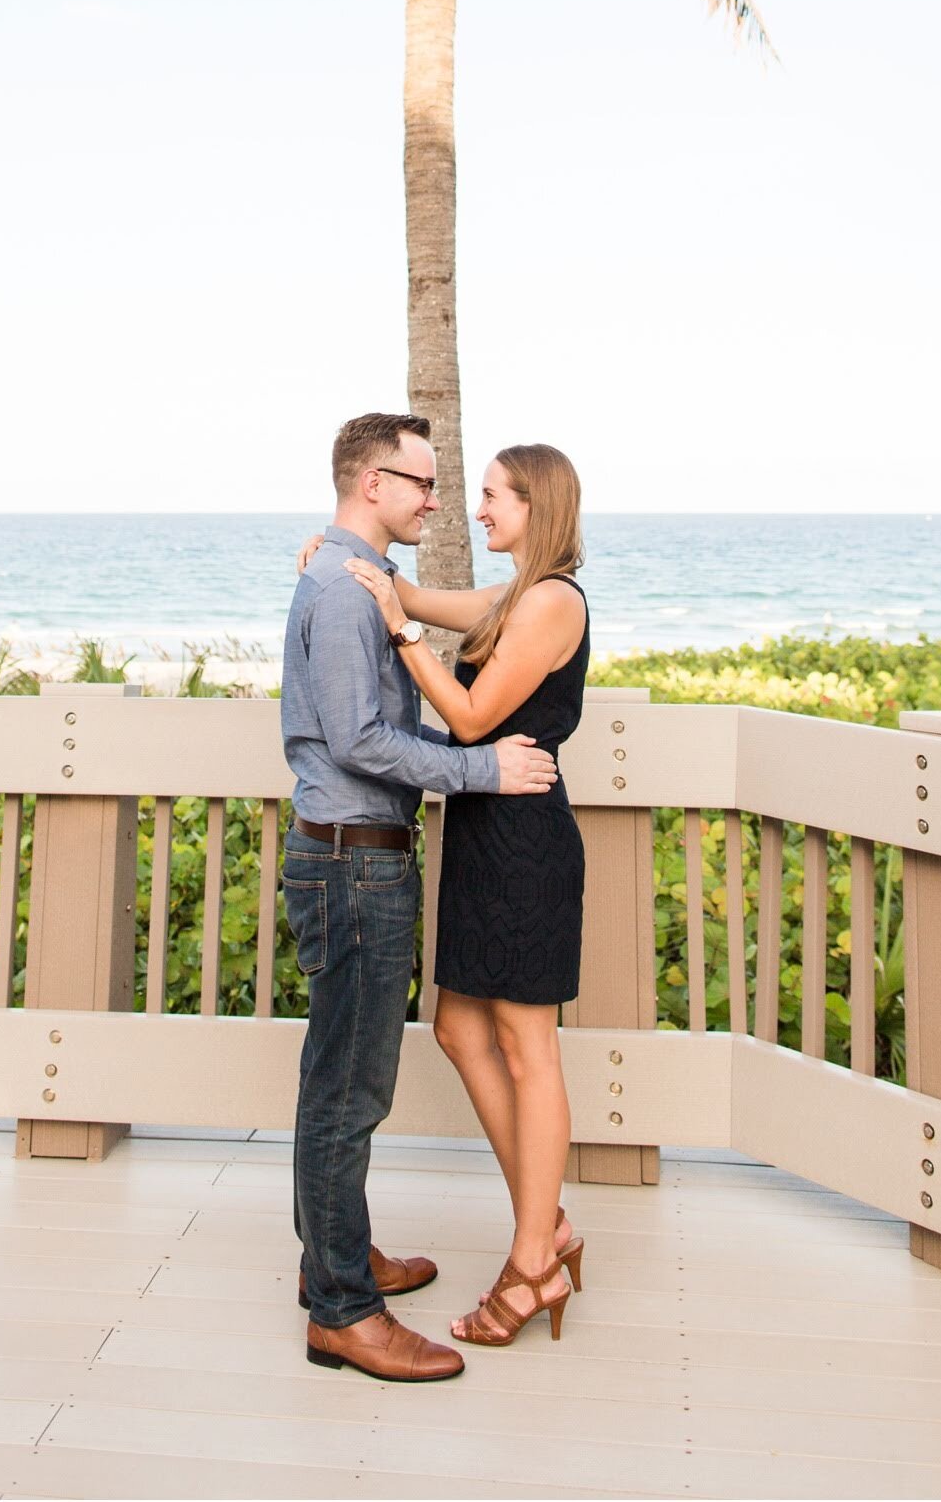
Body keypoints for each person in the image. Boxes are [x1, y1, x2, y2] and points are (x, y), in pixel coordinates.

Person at [282, 410, 561, 1384]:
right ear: (371, 484)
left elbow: (423, 623)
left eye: (465, 490)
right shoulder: (345, 590)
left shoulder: (357, 580)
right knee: (347, 1091)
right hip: (351, 858)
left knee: (348, 1082)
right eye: (423, 483)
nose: (440, 502)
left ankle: (339, 1257)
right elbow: (359, 741)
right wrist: (481, 771)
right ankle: (342, 1311)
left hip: (366, 853)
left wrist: (389, 600)